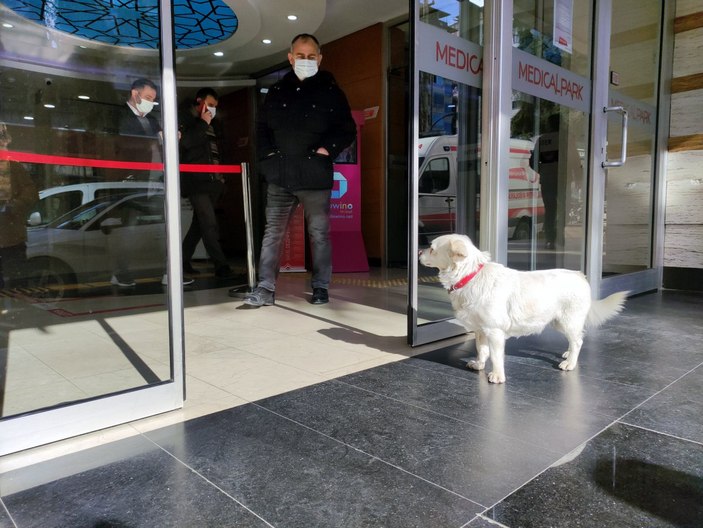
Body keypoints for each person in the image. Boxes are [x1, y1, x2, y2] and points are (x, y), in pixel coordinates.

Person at [243, 33, 356, 306]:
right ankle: (265, 289)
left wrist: (325, 149)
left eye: (311, 56)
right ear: (290, 58)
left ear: (319, 58)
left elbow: (347, 129)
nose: (306, 60)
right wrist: (267, 158)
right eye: (300, 56)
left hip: (314, 175)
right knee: (273, 233)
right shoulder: (277, 91)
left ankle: (320, 287)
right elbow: (261, 129)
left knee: (319, 234)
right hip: (280, 175)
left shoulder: (331, 92)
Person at [114, 78, 193, 287]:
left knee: (161, 227)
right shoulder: (119, 116)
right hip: (131, 182)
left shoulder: (151, 120)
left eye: (153, 99)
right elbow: (121, 145)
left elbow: (160, 143)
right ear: (135, 94)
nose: (151, 102)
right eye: (148, 98)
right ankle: (121, 271)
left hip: (154, 180)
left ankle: (168, 271)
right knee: (129, 229)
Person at [179, 87, 234, 279]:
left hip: (214, 182)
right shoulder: (185, 119)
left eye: (215, 107)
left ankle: (182, 260)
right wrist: (203, 123)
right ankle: (221, 265)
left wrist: (221, 176)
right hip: (196, 182)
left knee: (200, 224)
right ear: (199, 101)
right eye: (209, 105)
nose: (212, 109)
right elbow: (185, 144)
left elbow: (217, 151)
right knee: (209, 223)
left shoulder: (214, 124)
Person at [0, 122, 38, 290]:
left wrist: (15, 205)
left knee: (17, 285)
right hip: (11, 235)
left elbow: (31, 193)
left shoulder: (14, 167)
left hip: (11, 237)